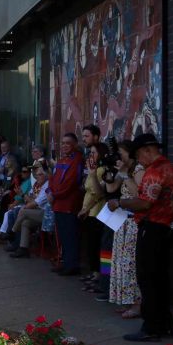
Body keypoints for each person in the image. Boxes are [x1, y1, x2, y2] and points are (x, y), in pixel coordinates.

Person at [108, 133, 173, 342]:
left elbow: (144, 203)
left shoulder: (155, 172)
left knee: (147, 278)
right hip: (165, 226)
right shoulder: (170, 168)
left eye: (139, 155)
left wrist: (120, 203)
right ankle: (164, 323)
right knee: (160, 277)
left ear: (148, 150)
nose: (139, 160)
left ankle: (151, 327)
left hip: (153, 227)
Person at [106, 141, 142, 317]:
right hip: (122, 222)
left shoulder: (138, 170)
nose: (119, 157)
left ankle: (137, 303)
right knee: (120, 262)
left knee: (131, 263)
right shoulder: (125, 171)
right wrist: (106, 175)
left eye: (121, 153)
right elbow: (112, 187)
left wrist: (124, 174)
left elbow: (138, 194)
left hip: (134, 222)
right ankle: (126, 300)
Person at [50, 133, 85, 276]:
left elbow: (70, 184)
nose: (64, 146)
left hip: (69, 204)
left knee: (70, 235)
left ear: (75, 145)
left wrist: (54, 194)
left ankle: (72, 265)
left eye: (67, 143)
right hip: (58, 203)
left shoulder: (77, 160)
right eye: (63, 143)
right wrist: (49, 191)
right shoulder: (62, 159)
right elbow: (53, 178)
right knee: (62, 235)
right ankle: (64, 261)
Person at [78, 143, 109, 288]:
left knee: (98, 245)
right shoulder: (92, 170)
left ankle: (101, 275)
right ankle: (94, 271)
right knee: (91, 245)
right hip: (88, 211)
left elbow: (99, 193)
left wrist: (86, 208)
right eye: (90, 153)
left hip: (98, 212)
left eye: (94, 153)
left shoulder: (102, 170)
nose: (91, 156)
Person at [7, 166, 51, 258]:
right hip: (37, 211)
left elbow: (34, 203)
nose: (37, 176)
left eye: (40, 174)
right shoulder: (37, 185)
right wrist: (22, 194)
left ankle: (12, 231)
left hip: (46, 214)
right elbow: (29, 200)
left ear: (46, 176)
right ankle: (23, 249)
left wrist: (25, 207)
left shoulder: (47, 185)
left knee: (23, 211)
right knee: (25, 223)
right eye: (36, 174)